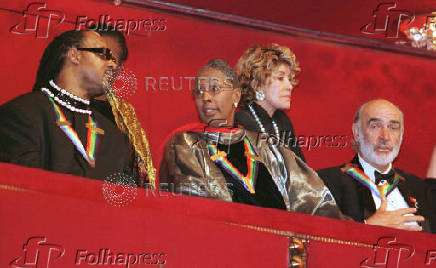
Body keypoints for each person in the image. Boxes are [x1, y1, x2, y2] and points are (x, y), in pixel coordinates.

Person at [160, 59, 345, 219]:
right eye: (199, 92)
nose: (205, 98)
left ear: (236, 96)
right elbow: (193, 204)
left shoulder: (268, 147)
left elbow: (316, 202)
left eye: (214, 89)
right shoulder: (185, 144)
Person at [0, 30, 133, 181]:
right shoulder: (23, 113)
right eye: (103, 54)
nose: (112, 64)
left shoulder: (115, 138)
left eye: (113, 59)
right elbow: (21, 191)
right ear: (74, 55)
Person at [317, 99, 436, 233]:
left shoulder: (421, 189)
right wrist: (368, 227)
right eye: (375, 126)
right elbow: (317, 238)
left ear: (401, 135)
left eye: (393, 127)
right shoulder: (325, 183)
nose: (385, 136)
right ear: (357, 133)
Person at [90, 24, 156, 187]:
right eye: (97, 55)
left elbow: (143, 175)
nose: (105, 65)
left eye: (112, 59)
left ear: (119, 69)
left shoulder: (125, 114)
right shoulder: (55, 102)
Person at [235, 43, 305, 162]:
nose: (290, 86)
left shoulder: (283, 121)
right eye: (280, 78)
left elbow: (302, 171)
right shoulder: (240, 121)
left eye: (289, 79)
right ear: (257, 85)